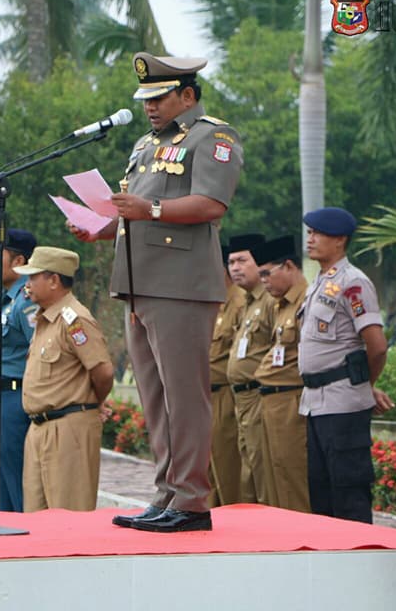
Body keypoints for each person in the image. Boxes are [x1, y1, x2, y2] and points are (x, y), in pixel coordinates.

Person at [70, 52, 243, 532]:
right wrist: (100, 227)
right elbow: (138, 213)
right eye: (145, 98)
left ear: (187, 95)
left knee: (184, 396)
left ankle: (190, 501)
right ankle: (167, 492)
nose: (150, 106)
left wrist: (149, 208)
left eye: (160, 96)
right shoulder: (146, 144)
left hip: (181, 285)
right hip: (138, 283)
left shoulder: (213, 136)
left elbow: (210, 203)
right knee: (155, 397)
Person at [298, 208, 393, 524]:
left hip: (342, 403)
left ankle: (358, 564)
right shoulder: (321, 282)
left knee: (348, 493)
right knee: (321, 494)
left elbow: (377, 347)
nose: (310, 239)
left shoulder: (353, 282)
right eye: (309, 233)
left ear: (339, 240)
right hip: (315, 404)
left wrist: (365, 385)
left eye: (317, 233)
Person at [15, 247, 115, 512]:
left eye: (32, 277)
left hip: (68, 428)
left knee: (69, 516)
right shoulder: (46, 319)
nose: (27, 285)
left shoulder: (74, 319)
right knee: (36, 519)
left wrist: (95, 400)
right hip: (40, 428)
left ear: (54, 280)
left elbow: (103, 371)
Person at [252, 236, 310, 513]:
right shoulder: (280, 305)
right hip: (270, 400)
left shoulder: (305, 301)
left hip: (290, 399)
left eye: (267, 273)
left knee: (292, 476)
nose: (263, 281)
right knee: (273, 476)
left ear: (288, 266)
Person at [0, 228, 38, 513]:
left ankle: (25, 541)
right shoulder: (9, 298)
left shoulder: (26, 298)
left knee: (16, 478)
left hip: (15, 398)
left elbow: (39, 350)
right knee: (1, 481)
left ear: (18, 262)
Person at [225, 233, 276, 505]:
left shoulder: (269, 300)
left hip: (258, 396)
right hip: (240, 398)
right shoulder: (247, 302)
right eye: (231, 262)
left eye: (242, 260)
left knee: (262, 472)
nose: (235, 267)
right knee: (247, 473)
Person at [207, 245, 246, 506]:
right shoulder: (213, 303)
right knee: (208, 473)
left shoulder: (240, 302)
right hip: (205, 397)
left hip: (226, 395)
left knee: (228, 471)